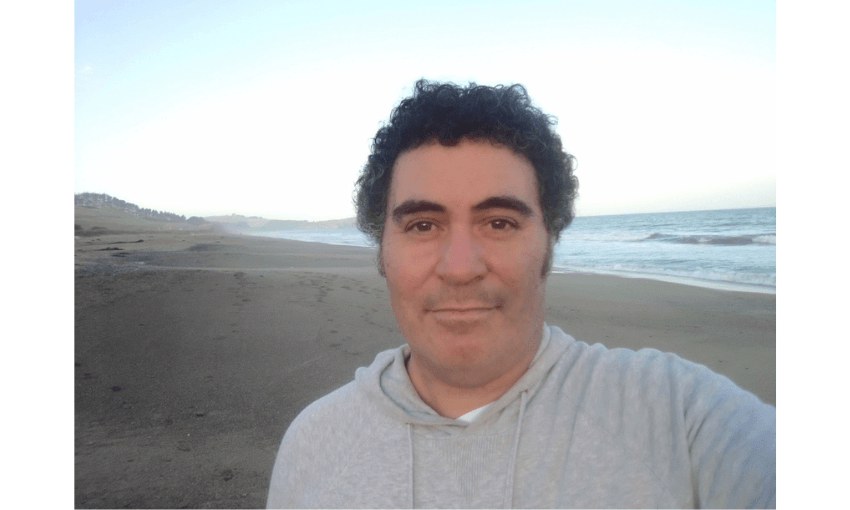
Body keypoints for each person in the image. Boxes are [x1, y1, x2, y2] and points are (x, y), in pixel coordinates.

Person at [266, 80, 776, 508]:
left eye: (499, 222)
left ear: (548, 243)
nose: (460, 268)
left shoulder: (680, 417)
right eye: (422, 225)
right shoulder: (312, 445)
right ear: (383, 251)